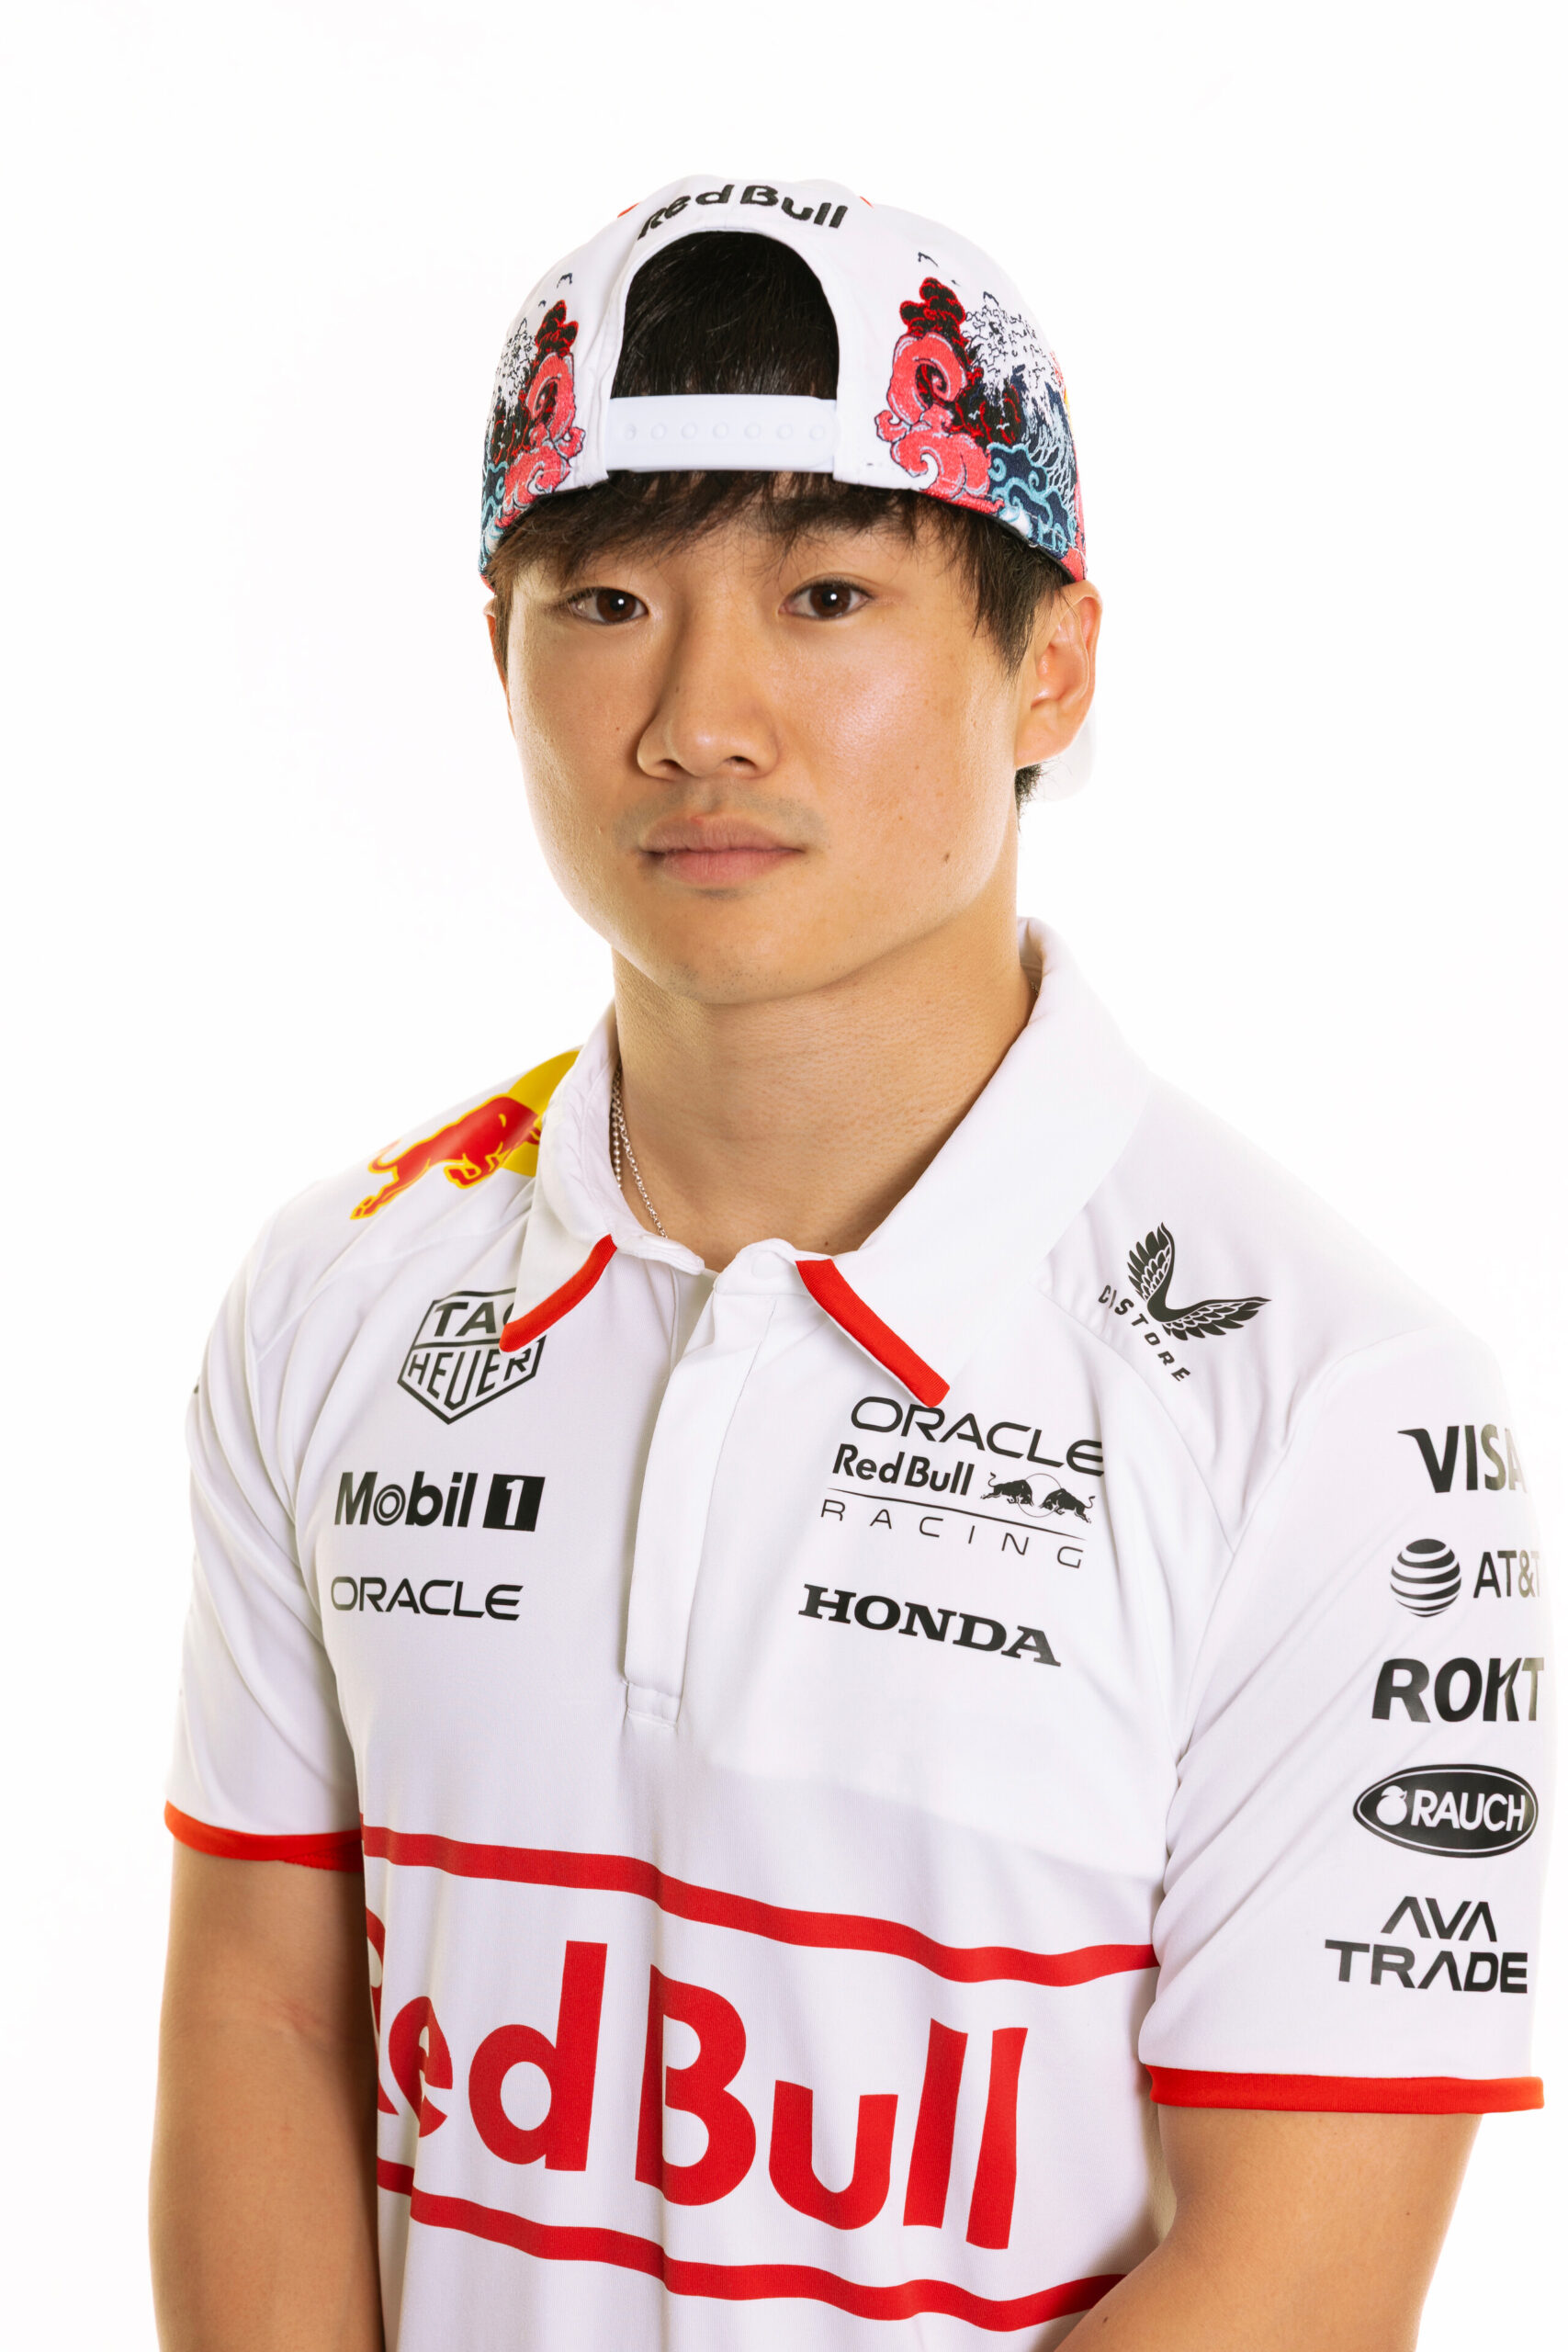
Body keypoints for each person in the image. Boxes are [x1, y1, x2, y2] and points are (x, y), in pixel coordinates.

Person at [149, 175, 1550, 2351]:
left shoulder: (1341, 1407)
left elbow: (1291, 2272)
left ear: (1046, 663)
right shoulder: (338, 1293)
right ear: (496, 653)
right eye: (606, 599)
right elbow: (269, 2013)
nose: (698, 716)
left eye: (822, 593)